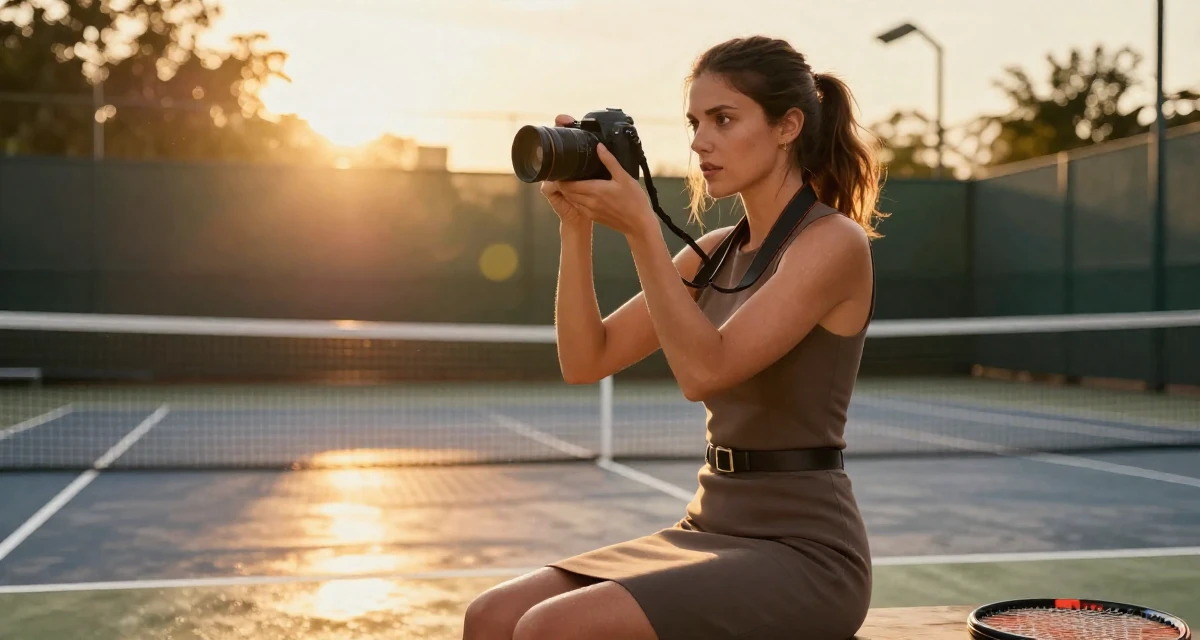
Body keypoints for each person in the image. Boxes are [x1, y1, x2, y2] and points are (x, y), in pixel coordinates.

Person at [464, 35, 884, 640]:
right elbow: (587, 359)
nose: (699, 141)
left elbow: (704, 372)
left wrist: (641, 229)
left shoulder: (833, 243)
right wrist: (575, 229)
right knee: (492, 616)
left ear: (788, 125)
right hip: (709, 527)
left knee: (550, 629)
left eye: (723, 119)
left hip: (805, 550)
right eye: (694, 122)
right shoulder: (713, 254)